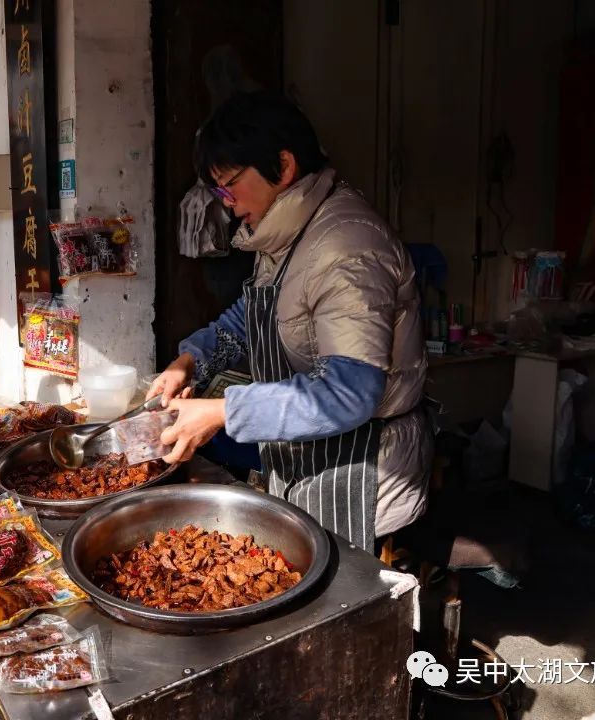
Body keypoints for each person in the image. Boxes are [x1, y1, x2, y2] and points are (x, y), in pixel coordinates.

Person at [149, 91, 431, 551]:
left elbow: (349, 393)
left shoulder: (346, 248)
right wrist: (189, 361)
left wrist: (223, 412)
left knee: (342, 604)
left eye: (229, 186)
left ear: (282, 167)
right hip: (305, 457)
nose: (226, 203)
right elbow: (250, 319)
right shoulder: (286, 236)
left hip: (360, 474)